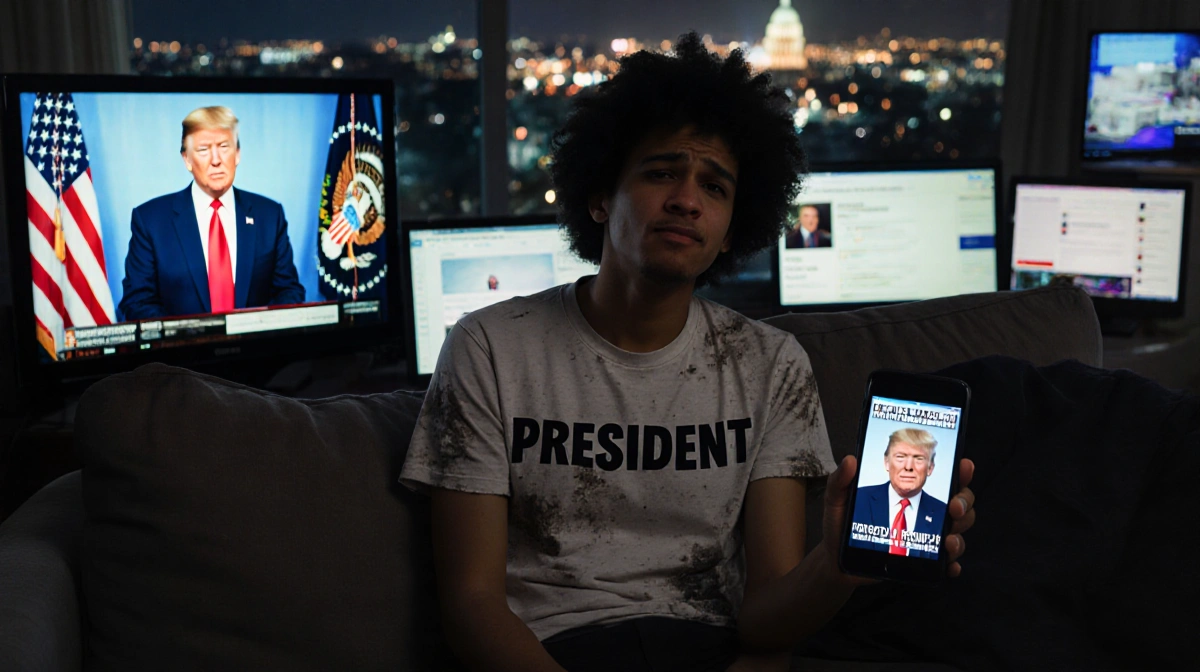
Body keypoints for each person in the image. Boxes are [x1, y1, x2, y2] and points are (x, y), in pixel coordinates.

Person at [400, 33, 976, 672]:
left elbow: (765, 622)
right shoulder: (489, 347)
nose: (687, 199)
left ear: (733, 229)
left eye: (716, 187)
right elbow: (472, 606)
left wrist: (834, 563)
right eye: (661, 171)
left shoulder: (770, 365)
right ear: (599, 196)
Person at [119, 106, 304, 320]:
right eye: (204, 150)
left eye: (224, 147)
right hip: (182, 351)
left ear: (237, 154)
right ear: (187, 159)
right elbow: (137, 302)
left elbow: (289, 292)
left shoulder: (270, 216)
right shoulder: (150, 221)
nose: (216, 160)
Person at [848, 428, 947, 559]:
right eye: (900, 457)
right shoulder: (858, 499)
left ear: (930, 468)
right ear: (887, 462)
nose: (908, 466)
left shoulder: (943, 514)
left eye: (919, 458)